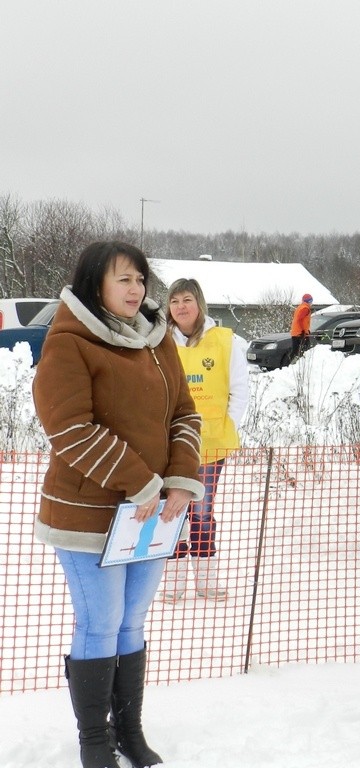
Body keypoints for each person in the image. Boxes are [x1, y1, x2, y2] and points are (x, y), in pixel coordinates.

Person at [32, 241, 204, 768]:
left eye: (140, 279)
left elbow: (185, 413)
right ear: (95, 285)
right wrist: (142, 483)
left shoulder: (158, 341)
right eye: (123, 280)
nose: (137, 290)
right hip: (89, 516)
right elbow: (70, 430)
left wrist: (179, 480)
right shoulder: (68, 342)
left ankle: (128, 730)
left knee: (131, 622)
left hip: (151, 516)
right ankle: (94, 741)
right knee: (100, 622)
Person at [159, 278, 250, 601]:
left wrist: (226, 425)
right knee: (171, 510)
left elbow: (239, 390)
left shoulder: (224, 341)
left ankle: (206, 578)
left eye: (187, 300)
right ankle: (172, 581)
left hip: (210, 445)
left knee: (201, 511)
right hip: (168, 446)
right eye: (174, 302)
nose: (181, 307)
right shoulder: (160, 342)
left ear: (199, 304)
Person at [290, 292, 314, 362]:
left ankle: (290, 364)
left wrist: (307, 330)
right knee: (305, 351)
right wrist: (303, 331)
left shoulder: (300, 307)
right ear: (309, 301)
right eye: (311, 301)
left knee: (295, 351)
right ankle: (298, 365)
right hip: (300, 334)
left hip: (296, 332)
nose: (311, 303)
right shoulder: (305, 308)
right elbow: (299, 320)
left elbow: (302, 321)